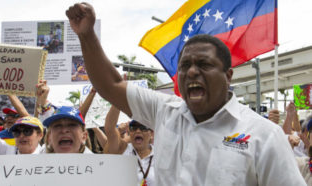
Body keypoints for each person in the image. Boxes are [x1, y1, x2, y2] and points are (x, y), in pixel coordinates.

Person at [65, 3, 305, 185]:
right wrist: (86, 35)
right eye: (184, 66)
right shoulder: (165, 111)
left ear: (228, 76)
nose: (191, 72)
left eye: (204, 64)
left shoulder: (264, 136)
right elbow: (110, 85)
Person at [104, 106, 154, 186]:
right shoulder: (122, 149)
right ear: (129, 131)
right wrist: (117, 100)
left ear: (152, 133)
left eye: (143, 127)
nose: (138, 131)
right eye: (133, 127)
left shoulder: (161, 155)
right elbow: (110, 128)